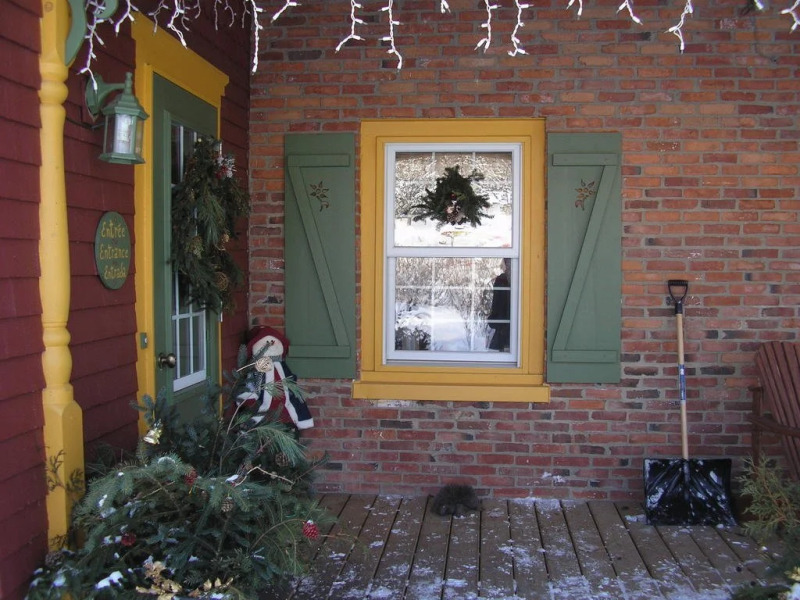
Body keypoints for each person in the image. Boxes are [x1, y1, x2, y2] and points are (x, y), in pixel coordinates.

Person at [488, 258, 510, 351]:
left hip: (503, 329)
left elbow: (497, 306)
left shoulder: (502, 281)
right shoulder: (503, 280)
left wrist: (493, 320)